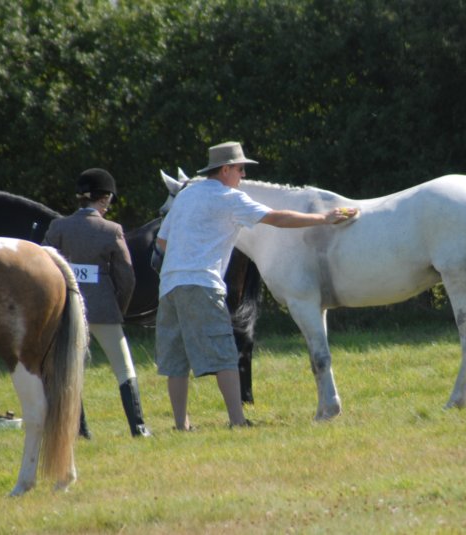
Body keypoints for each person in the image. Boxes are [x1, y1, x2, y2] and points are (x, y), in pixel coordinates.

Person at [155, 141, 357, 430]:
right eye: (240, 169)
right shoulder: (229, 198)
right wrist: (324, 218)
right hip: (202, 282)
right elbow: (276, 218)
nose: (243, 177)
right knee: (225, 354)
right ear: (225, 170)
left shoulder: (186, 195)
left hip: (170, 285)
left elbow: (162, 242)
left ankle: (181, 425)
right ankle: (237, 421)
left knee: (176, 360)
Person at [43, 168, 151, 438]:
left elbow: (43, 264)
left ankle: (79, 430)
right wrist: (119, 309)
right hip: (104, 309)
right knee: (123, 367)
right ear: (103, 199)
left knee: (70, 370)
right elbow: (126, 276)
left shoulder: (58, 227)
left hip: (67, 309)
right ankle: (138, 427)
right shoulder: (111, 230)